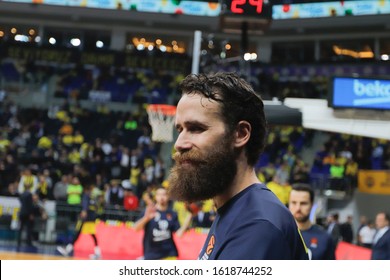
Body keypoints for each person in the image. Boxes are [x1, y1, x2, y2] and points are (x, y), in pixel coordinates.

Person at [167, 72, 308, 260]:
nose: (179, 143)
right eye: (180, 130)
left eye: (196, 128)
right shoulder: (236, 210)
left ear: (240, 134)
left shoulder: (257, 226)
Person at [133, 186, 191, 260]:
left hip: (169, 253)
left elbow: (179, 234)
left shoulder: (172, 214)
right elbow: (135, 229)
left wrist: (190, 215)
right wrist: (146, 218)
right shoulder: (149, 211)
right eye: (159, 194)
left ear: (168, 196)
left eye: (164, 194)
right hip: (151, 254)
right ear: (156, 196)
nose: (162, 197)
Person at [288, 183, 335, 260]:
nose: (298, 208)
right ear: (288, 204)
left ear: (312, 205)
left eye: (303, 203)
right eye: (294, 202)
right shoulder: (279, 235)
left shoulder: (325, 239)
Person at [57, 183, 101, 259]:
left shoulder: (86, 195)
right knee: (90, 234)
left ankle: (67, 250)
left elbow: (85, 204)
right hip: (92, 218)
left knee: (78, 233)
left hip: (86, 218)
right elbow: (96, 207)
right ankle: (97, 252)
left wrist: (84, 211)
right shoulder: (93, 197)